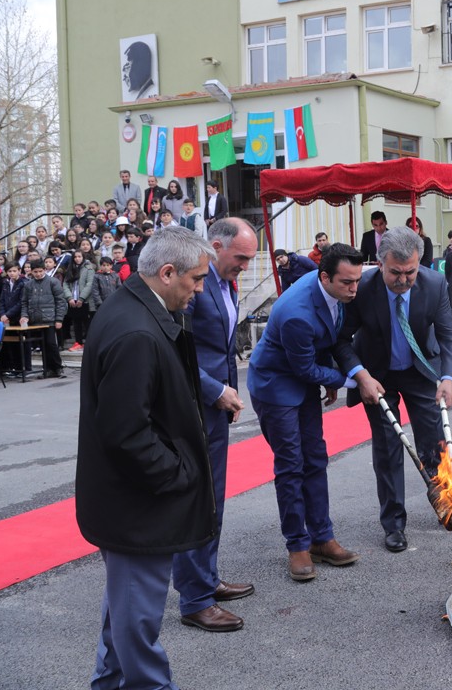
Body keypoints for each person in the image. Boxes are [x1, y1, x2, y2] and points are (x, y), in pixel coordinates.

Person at [76, 226, 215, 690]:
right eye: (194, 280)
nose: (198, 290)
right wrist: (176, 475)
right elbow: (127, 433)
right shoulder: (137, 331)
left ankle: (109, 683)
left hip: (128, 501)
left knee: (124, 610)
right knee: (138, 622)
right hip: (137, 507)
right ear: (167, 272)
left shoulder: (133, 308)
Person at [335, 227, 452, 553]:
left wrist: (448, 378)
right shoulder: (361, 289)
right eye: (396, 273)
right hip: (376, 375)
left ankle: (446, 504)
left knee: (434, 443)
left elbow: (449, 336)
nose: (404, 280)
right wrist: (359, 376)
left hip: (420, 370)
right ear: (379, 264)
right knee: (389, 449)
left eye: (411, 272)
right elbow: (340, 339)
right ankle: (393, 524)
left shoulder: (434, 284)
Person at [247, 244, 363, 582]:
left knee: (316, 458)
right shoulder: (297, 312)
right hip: (276, 386)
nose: (354, 289)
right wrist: (347, 380)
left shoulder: (334, 289)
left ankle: (322, 538)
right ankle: (297, 544)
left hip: (304, 377)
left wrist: (327, 373)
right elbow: (303, 369)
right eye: (347, 283)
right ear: (324, 276)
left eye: (357, 281)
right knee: (291, 465)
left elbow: (324, 343)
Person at [171, 219, 259, 633]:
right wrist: (213, 391)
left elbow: (222, 347)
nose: (244, 265)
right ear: (216, 244)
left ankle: (206, 579)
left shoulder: (226, 280)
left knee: (214, 500)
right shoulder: (195, 283)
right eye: (240, 257)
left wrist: (230, 394)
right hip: (191, 404)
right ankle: (195, 600)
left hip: (216, 406)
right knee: (197, 503)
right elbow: (173, 349)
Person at [20, 261, 68, 379]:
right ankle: (47, 369)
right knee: (43, 345)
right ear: (31, 271)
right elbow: (24, 302)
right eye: (35, 272)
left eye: (40, 271)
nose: (38, 274)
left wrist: (59, 319)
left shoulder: (53, 282)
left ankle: (58, 367)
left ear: (44, 270)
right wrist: (24, 315)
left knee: (51, 344)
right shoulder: (28, 285)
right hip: (35, 320)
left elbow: (60, 302)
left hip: (50, 319)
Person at [63, 250, 98, 351]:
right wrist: (69, 297)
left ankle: (90, 343)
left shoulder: (89, 268)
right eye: (75, 257)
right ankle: (78, 342)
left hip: (85, 301)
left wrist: (81, 298)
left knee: (87, 323)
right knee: (76, 322)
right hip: (73, 300)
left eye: (79, 256)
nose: (77, 259)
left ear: (83, 257)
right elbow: (65, 284)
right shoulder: (70, 269)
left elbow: (90, 284)